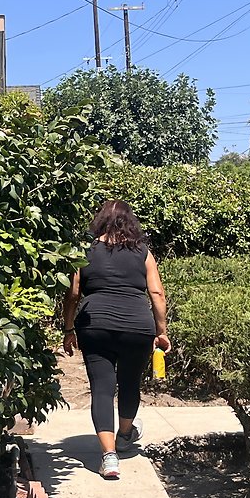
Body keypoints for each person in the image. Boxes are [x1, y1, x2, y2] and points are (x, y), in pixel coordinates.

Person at [62, 200, 171, 479]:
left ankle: (109, 457)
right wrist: (161, 331)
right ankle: (124, 436)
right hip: (137, 325)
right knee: (130, 381)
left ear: (99, 220)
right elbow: (157, 294)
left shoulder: (85, 251)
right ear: (130, 222)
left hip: (94, 324)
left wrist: (68, 328)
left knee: (102, 387)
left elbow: (73, 294)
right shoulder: (143, 252)